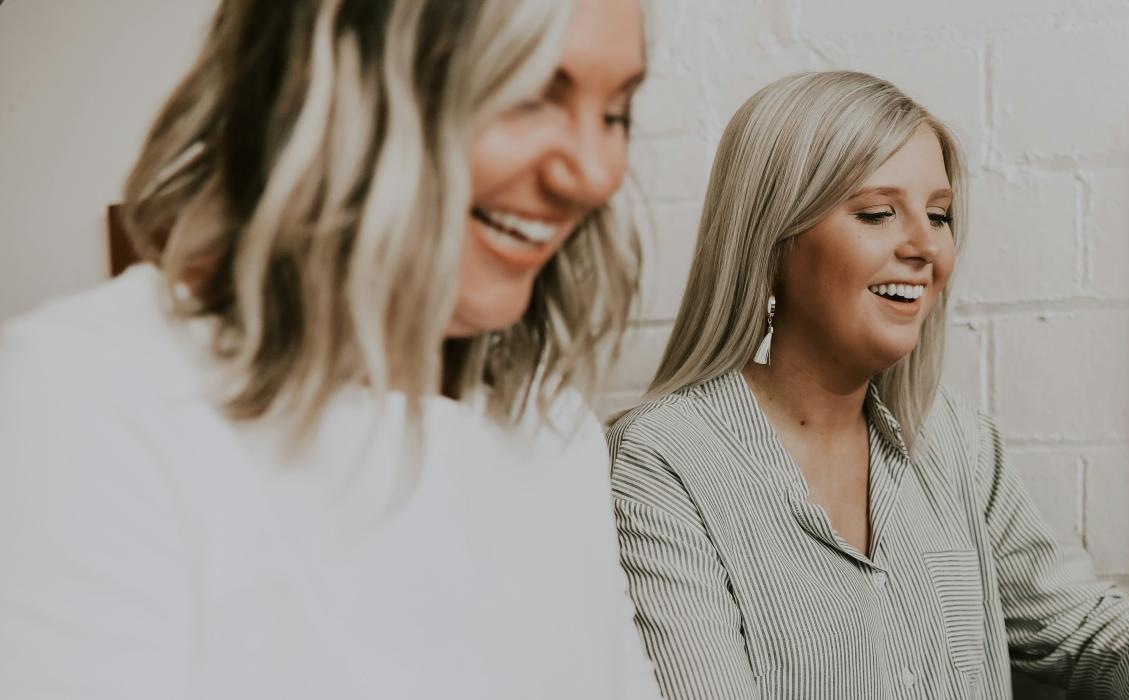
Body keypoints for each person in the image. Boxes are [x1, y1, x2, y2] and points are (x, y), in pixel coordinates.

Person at [0, 1, 661, 697]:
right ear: (334, 84)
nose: (595, 173)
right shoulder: (87, 405)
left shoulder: (552, 427)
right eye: (526, 94)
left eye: (615, 113)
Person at [609, 70, 1129, 700]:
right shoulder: (662, 462)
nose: (927, 247)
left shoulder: (955, 443)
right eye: (878, 212)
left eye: (939, 215)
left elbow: (1074, 621)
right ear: (772, 240)